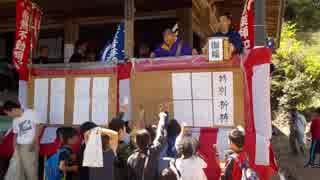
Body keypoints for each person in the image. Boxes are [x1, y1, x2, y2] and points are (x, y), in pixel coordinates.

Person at [3, 101, 42, 180]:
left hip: (29, 145)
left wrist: (34, 142)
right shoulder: (15, 120)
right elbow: (15, 135)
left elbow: (39, 126)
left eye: (8, 113)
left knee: (30, 170)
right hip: (19, 146)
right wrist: (15, 148)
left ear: (13, 110)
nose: (9, 116)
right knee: (19, 170)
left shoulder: (30, 113)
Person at [127, 112, 168, 180]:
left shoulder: (131, 159)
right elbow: (160, 135)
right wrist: (162, 119)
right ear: (149, 140)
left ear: (136, 142)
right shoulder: (154, 151)